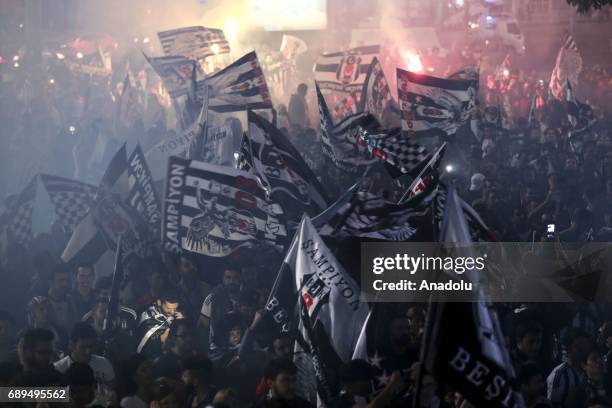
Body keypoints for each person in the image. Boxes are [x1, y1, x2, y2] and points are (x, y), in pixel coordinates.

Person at [54, 322, 115, 405]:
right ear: (71, 345)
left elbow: (112, 390)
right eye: (83, 347)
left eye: (91, 346)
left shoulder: (104, 363)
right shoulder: (58, 368)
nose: (88, 351)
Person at [546, 328, 592, 407]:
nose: (584, 349)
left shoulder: (591, 369)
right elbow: (553, 404)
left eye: (586, 344)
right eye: (579, 345)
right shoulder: (560, 374)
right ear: (568, 348)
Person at [137, 287, 184, 358]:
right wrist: (160, 341)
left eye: (175, 309)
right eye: (168, 308)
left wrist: (181, 322)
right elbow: (146, 347)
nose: (172, 312)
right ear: (159, 303)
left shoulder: (175, 316)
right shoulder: (149, 318)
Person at [47, 263, 78, 331]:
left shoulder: (70, 300)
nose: (65, 284)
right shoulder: (41, 303)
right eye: (61, 280)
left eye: (67, 280)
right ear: (50, 282)